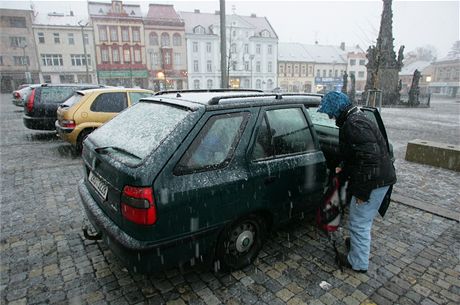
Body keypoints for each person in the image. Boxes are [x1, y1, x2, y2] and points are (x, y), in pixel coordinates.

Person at [317, 91, 396, 273]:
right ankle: (356, 245)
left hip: (373, 182)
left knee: (359, 223)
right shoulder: (356, 118)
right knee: (361, 220)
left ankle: (358, 263)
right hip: (379, 178)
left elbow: (369, 160)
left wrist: (362, 193)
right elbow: (358, 153)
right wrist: (344, 166)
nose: (329, 116)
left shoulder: (353, 124)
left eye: (330, 112)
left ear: (336, 109)